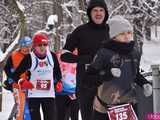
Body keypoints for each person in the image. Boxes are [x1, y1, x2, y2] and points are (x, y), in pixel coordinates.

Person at [86, 15, 153, 120]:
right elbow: (88, 80)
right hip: (105, 109)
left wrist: (144, 83)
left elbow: (134, 74)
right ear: (113, 36)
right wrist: (107, 74)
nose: (127, 37)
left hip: (129, 108)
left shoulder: (135, 52)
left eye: (129, 33)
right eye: (122, 34)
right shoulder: (103, 53)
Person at [60, 0, 110, 120]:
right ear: (89, 13)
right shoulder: (80, 31)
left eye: (101, 10)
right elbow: (64, 55)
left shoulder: (111, 30)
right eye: (95, 10)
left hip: (109, 84)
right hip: (86, 85)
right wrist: (85, 59)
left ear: (105, 13)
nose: (98, 13)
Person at [9, 33, 62, 120]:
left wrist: (59, 81)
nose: (42, 47)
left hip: (49, 95)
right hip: (34, 95)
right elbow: (15, 75)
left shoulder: (52, 56)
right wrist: (22, 82)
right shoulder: (29, 58)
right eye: (39, 45)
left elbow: (57, 72)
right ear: (34, 46)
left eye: (45, 45)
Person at [3, 36, 32, 120]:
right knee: (20, 105)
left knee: (29, 107)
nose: (26, 49)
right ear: (20, 46)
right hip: (17, 85)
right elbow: (7, 68)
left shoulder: (33, 56)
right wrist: (10, 78)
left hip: (30, 86)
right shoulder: (14, 56)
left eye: (28, 46)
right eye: (24, 46)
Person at [55, 48, 79, 120]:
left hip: (75, 93)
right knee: (60, 116)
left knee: (74, 116)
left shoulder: (81, 55)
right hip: (61, 92)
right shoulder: (58, 55)